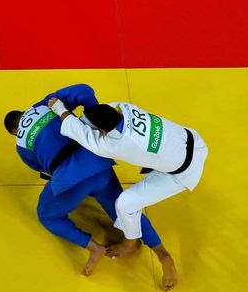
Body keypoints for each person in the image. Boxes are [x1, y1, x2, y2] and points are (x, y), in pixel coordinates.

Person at [5, 84, 178, 290]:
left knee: (47, 215)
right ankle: (163, 254)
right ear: (24, 112)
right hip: (96, 160)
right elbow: (83, 90)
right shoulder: (45, 104)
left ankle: (93, 247)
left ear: (15, 131)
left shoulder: (21, 146)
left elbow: (42, 168)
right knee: (125, 211)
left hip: (71, 179)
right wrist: (94, 122)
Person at [47, 94, 208, 270]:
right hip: (192, 141)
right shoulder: (123, 107)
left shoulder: (117, 145)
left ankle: (137, 246)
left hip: (182, 173)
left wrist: (59, 108)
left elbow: (78, 131)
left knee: (126, 204)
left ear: (103, 131)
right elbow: (92, 119)